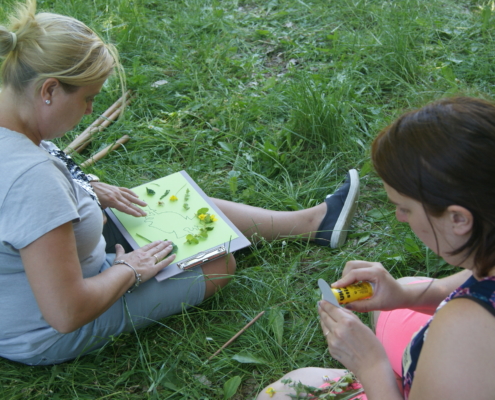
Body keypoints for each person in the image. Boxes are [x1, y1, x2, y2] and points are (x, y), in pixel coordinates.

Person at [0, 0, 360, 366]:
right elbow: (67, 311)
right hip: (44, 328)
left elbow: (29, 192)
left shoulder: (13, 117)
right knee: (220, 265)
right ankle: (243, 240)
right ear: (48, 91)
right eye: (88, 98)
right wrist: (130, 270)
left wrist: (85, 188)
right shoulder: (33, 181)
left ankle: (311, 224)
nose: (91, 110)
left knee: (171, 204)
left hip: (40, 276)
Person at [257, 96, 495, 400]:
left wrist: (370, 364)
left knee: (282, 392)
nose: (399, 217)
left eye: (405, 208)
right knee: (411, 288)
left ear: (458, 218)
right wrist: (402, 296)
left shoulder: (464, 328)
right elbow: (477, 278)